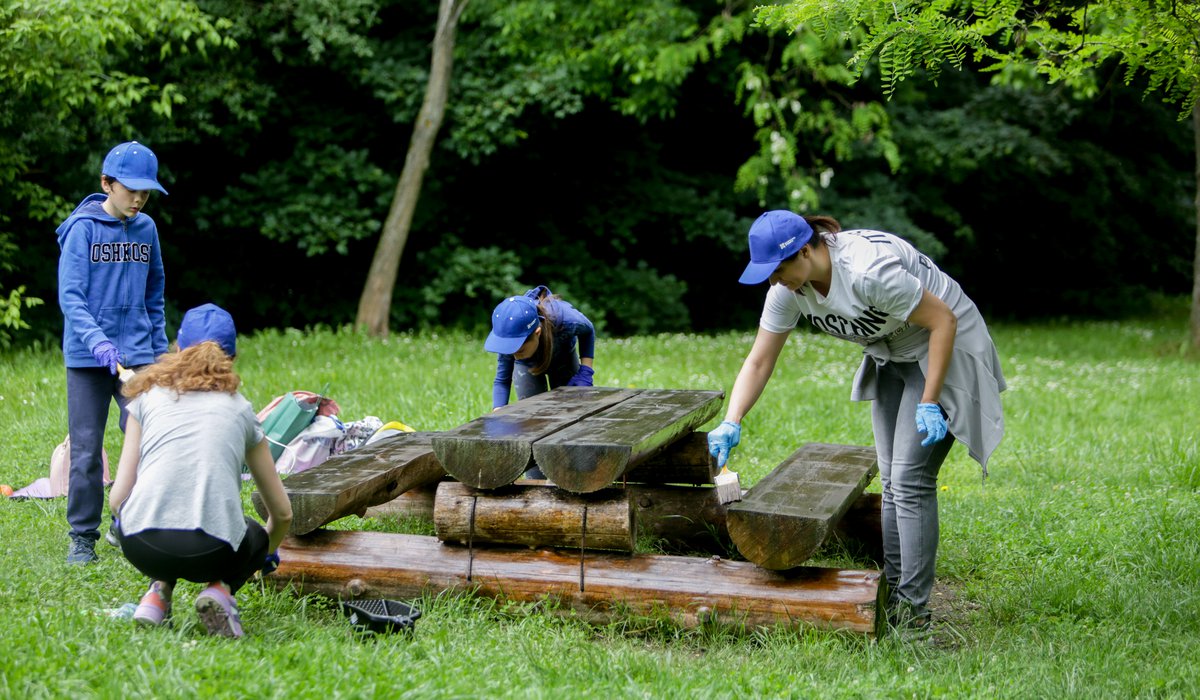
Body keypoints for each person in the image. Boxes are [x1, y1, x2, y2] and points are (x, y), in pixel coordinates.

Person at [708, 210, 1005, 633]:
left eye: (777, 270)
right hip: (889, 353)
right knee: (891, 479)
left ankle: (913, 616)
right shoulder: (789, 290)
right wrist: (732, 420)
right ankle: (893, 593)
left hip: (941, 348)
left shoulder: (867, 272)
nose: (774, 282)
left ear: (805, 251)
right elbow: (759, 360)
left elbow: (943, 320)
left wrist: (930, 400)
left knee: (909, 479)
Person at [108, 304, 293, 638]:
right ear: (232, 358)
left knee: (162, 521)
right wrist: (261, 556)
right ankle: (220, 590)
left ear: (177, 349)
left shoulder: (146, 400)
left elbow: (118, 498)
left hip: (140, 545)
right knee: (252, 533)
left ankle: (157, 595)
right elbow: (281, 514)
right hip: (213, 551)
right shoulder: (240, 410)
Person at [57, 141, 170, 565]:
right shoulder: (81, 229)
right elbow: (71, 298)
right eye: (130, 189)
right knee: (86, 451)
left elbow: (155, 292)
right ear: (107, 183)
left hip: (138, 357)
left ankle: (130, 524)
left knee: (147, 441)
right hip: (88, 360)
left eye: (145, 191)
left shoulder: (147, 230)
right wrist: (98, 343)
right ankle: (82, 537)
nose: (139, 198)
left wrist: (157, 351)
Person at [485, 285, 596, 410]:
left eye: (520, 350)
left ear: (537, 333)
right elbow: (502, 380)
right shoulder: (510, 336)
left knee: (572, 409)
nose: (515, 356)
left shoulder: (566, 320)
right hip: (528, 366)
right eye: (512, 351)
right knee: (533, 416)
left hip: (563, 359)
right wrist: (498, 411)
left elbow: (588, 330)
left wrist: (586, 372)